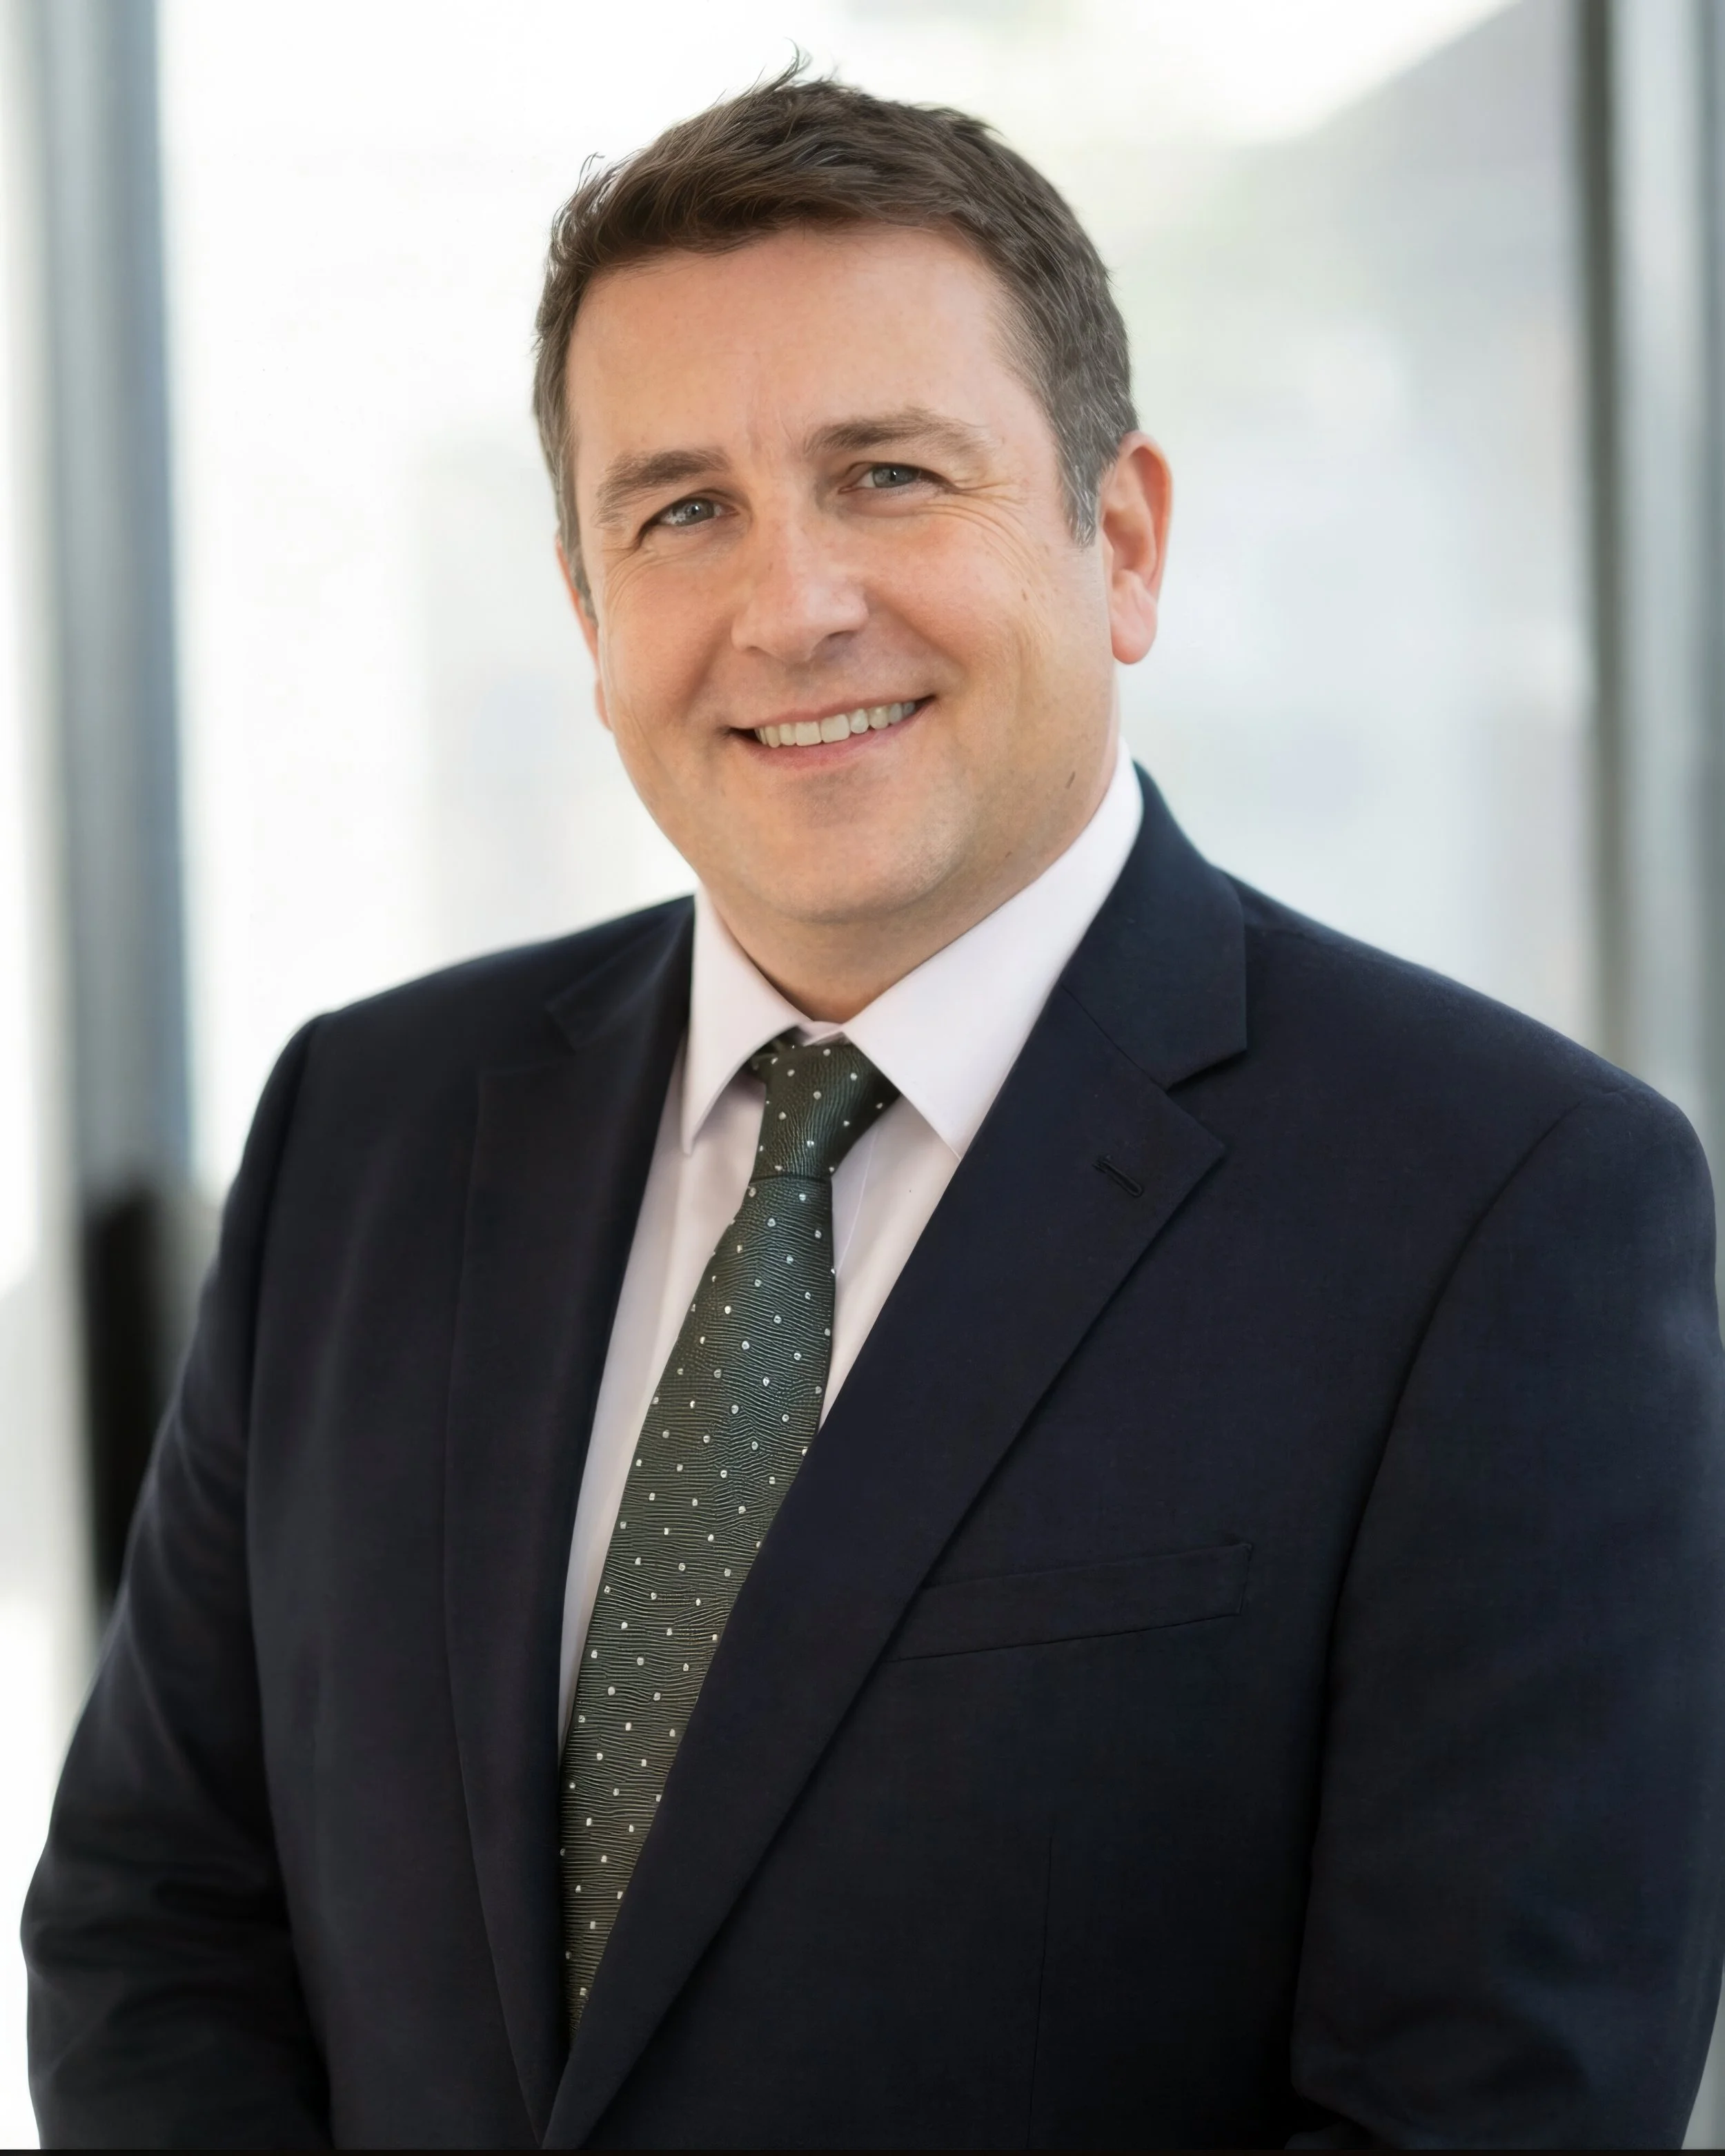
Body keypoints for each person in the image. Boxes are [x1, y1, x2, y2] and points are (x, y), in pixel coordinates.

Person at [24, 68, 1725, 2150]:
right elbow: (159, 1916)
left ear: (1117, 538)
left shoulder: (1505, 1206)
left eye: (888, 475)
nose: (790, 605)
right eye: (680, 510)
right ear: (586, 611)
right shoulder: (364, 1135)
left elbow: (1484, 2102)